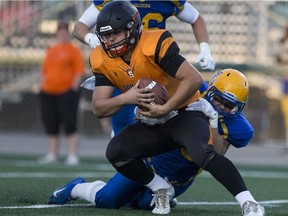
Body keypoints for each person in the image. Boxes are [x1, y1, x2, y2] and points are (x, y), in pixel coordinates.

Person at [50, 2, 265, 215]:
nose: (109, 41)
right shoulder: (101, 57)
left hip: (182, 115)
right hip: (154, 125)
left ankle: (249, 203)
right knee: (111, 177)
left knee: (200, 154)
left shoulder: (155, 42)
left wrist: (169, 108)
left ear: (132, 29)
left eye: (115, 34)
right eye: (105, 36)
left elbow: (193, 78)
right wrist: (127, 97)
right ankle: (151, 187)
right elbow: (99, 109)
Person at [48, 69, 265, 216]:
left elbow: (214, 154)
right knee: (108, 200)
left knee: (142, 204)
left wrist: (213, 121)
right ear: (210, 91)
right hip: (150, 164)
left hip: (180, 179)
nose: (222, 107)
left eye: (230, 106)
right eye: (218, 99)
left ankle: (162, 196)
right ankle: (76, 188)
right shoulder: (191, 91)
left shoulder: (240, 128)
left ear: (239, 108)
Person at [73, 0, 215, 135]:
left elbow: (196, 18)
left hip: (156, 66)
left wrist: (204, 48)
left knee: (205, 98)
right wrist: (90, 38)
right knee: (123, 130)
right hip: (122, 65)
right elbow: (79, 27)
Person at [38, 21, 85, 165]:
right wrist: (42, 85)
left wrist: (73, 88)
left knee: (70, 123)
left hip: (66, 92)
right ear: (57, 33)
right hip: (48, 92)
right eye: (60, 31)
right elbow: (44, 70)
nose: (62, 34)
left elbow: (79, 71)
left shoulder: (74, 50)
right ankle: (52, 154)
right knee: (51, 123)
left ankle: (72, 155)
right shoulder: (51, 50)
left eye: (65, 31)